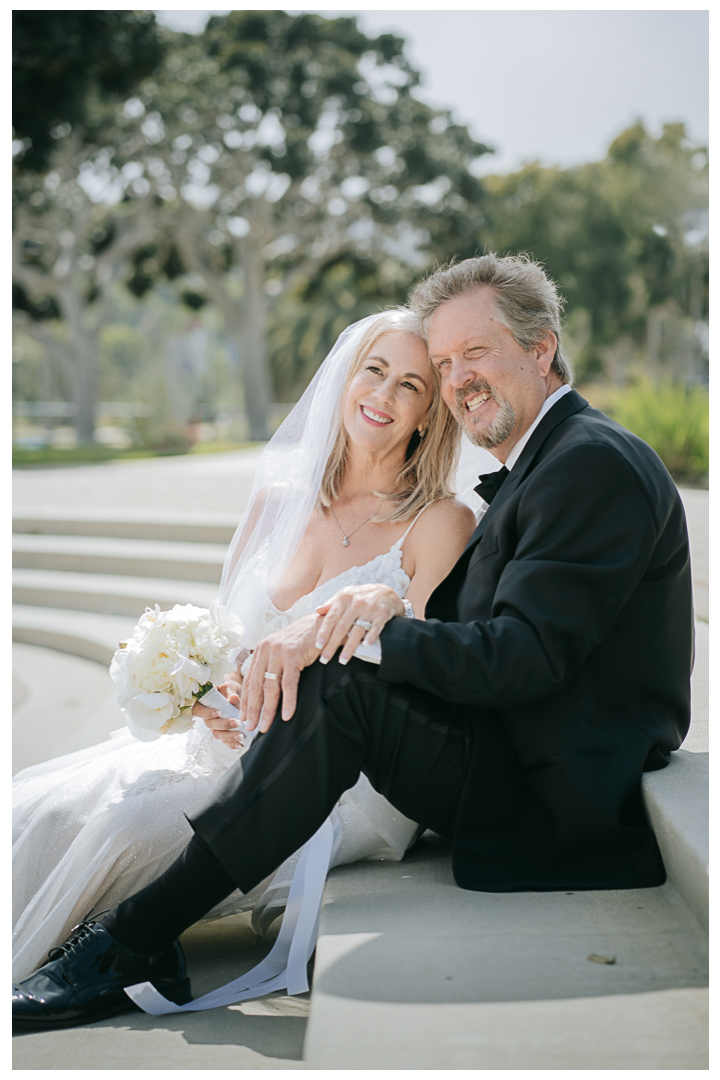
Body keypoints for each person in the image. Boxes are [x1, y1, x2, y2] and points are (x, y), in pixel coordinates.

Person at [13, 254, 693, 1031]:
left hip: (555, 788)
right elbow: (488, 638)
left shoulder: (590, 463)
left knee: (341, 678)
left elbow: (524, 659)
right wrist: (372, 604)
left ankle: (131, 941)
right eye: (444, 363)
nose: (457, 378)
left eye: (474, 353)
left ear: (541, 349)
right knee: (338, 674)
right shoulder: (552, 457)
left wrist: (357, 629)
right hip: (514, 747)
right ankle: (133, 942)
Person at [12, 308, 476, 986]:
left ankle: (92, 957)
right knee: (39, 808)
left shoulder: (440, 522)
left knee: (127, 830)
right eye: (373, 371)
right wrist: (197, 692)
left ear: (430, 416)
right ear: (345, 378)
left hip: (331, 771)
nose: (383, 396)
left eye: (410, 386)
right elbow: (230, 641)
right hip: (222, 741)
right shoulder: (277, 501)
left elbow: (425, 669)